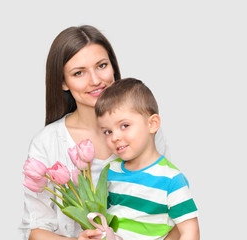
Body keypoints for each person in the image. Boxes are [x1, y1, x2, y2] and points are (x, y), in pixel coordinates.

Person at [19, 25, 174, 240]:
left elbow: (169, 210)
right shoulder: (47, 142)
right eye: (79, 73)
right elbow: (36, 230)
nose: (95, 80)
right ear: (63, 82)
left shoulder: (141, 127)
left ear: (113, 67)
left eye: (102, 65)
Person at [94, 78, 200, 240]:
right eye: (107, 131)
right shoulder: (111, 171)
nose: (115, 137)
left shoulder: (171, 179)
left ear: (152, 124)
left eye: (124, 126)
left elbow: (190, 231)